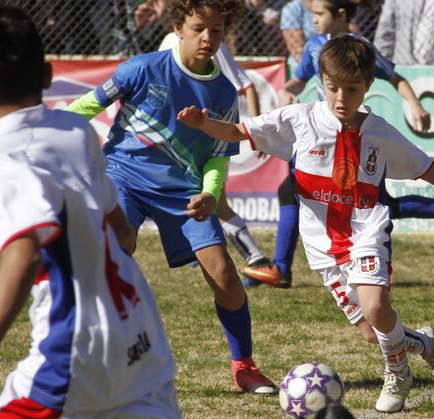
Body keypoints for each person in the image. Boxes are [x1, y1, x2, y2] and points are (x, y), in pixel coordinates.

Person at [177, 36, 434, 412]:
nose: (341, 97)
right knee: (374, 332)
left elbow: (426, 169)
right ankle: (425, 344)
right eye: (332, 87)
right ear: (321, 81)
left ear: (367, 87)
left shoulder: (380, 133)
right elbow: (240, 132)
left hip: (367, 230)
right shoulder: (300, 119)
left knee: (376, 307)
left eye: (352, 89)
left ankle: (398, 373)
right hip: (322, 248)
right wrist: (204, 124)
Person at [0, 2, 183, 419]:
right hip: (139, 331)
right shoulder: (77, 130)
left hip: (74, 349)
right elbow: (119, 228)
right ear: (49, 72)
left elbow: (24, 253)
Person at [64, 0, 276, 394]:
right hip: (123, 177)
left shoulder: (225, 94)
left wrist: (211, 196)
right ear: (178, 26)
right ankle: (87, 356)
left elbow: (216, 159)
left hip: (184, 192)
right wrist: (47, 132)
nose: (208, 38)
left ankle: (244, 366)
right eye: (199, 28)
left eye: (217, 30)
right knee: (116, 251)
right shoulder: (141, 69)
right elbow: (87, 106)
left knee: (226, 276)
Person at [242, 0, 434, 289]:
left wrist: (416, 106)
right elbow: (298, 80)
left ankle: (287, 269)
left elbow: (395, 77)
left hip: (354, 139)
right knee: (296, 190)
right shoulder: (315, 45)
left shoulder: (361, 50)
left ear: (341, 15)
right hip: (323, 137)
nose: (315, 20)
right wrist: (286, 92)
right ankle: (281, 269)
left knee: (374, 204)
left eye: (320, 14)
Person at [159, 32, 274, 282]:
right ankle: (203, 252)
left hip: (209, 140)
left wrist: (257, 129)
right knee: (194, 201)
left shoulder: (210, 44)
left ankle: (256, 260)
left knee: (215, 203)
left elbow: (246, 85)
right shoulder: (168, 43)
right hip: (177, 143)